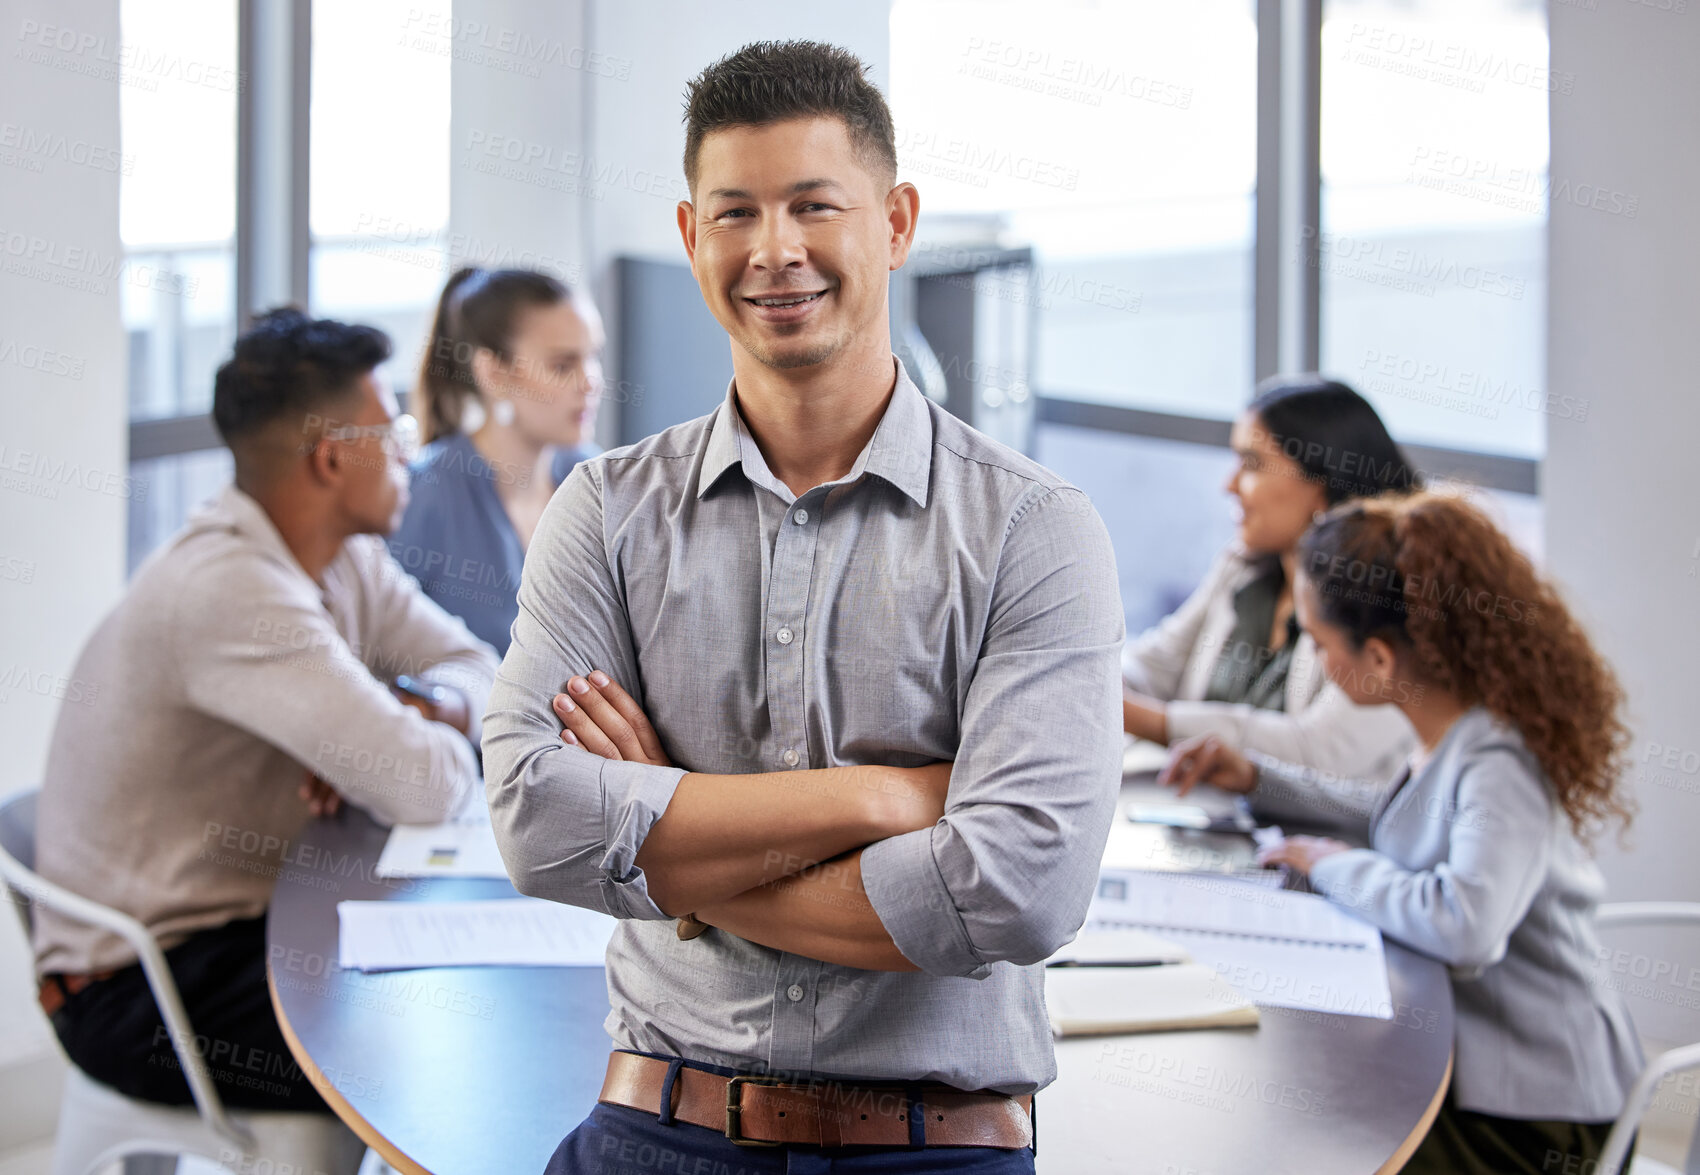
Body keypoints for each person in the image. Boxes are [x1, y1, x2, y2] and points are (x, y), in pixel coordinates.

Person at [480, 40, 1124, 1173]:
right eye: (734, 214)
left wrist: (673, 864)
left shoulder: (1034, 527)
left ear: (896, 221)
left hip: (930, 1150)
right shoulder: (606, 510)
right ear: (691, 238)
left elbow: (1016, 890)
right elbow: (537, 820)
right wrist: (883, 797)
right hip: (653, 1127)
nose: (773, 251)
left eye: (813, 206)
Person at [31, 308, 497, 1119]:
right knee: (442, 1036)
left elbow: (488, 672)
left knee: (446, 998)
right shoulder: (232, 590)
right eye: (391, 435)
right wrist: (405, 734)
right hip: (141, 987)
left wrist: (421, 703)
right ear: (329, 457)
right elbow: (429, 789)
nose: (408, 460)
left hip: (237, 924)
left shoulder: (347, 557)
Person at [1160, 489, 1643, 1175]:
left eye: (1320, 642)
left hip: (1544, 1114)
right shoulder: (1453, 732)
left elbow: (1465, 921)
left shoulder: (1499, 760)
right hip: (1486, 1071)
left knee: (1309, 1140)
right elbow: (1397, 818)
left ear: (1380, 659)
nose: (1317, 658)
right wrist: (1256, 777)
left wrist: (1331, 864)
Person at [1124, 376, 1420, 783]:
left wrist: (1145, 719)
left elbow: (1319, 751)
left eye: (1251, 464)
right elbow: (1155, 666)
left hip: (1317, 841)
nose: (1229, 485)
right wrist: (1085, 682)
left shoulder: (1396, 600)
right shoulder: (1243, 566)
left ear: (1322, 485)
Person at [390, 266, 605, 655]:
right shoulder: (424, 494)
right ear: (493, 372)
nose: (591, 382)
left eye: (592, 357)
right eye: (562, 365)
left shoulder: (596, 480)